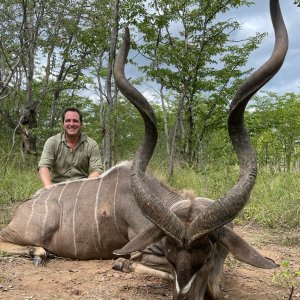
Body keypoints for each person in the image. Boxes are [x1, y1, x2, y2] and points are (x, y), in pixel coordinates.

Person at [38, 107, 102, 188]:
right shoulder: (52, 142)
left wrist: (85, 189)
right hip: (56, 188)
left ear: (81, 124)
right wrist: (49, 188)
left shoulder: (91, 144)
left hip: (81, 188)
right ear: (63, 124)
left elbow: (97, 170)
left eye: (75, 121)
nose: (71, 124)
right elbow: (43, 166)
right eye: (68, 121)